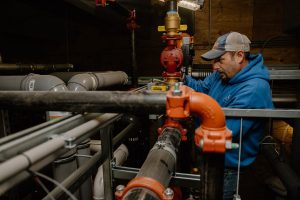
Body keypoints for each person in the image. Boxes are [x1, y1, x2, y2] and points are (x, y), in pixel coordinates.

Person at [184, 31, 274, 199]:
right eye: (214, 60)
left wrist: (190, 107)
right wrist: (181, 81)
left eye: (220, 60)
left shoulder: (254, 89)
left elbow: (223, 131)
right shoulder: (222, 75)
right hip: (207, 158)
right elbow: (201, 87)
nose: (215, 66)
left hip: (227, 169)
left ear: (239, 56)